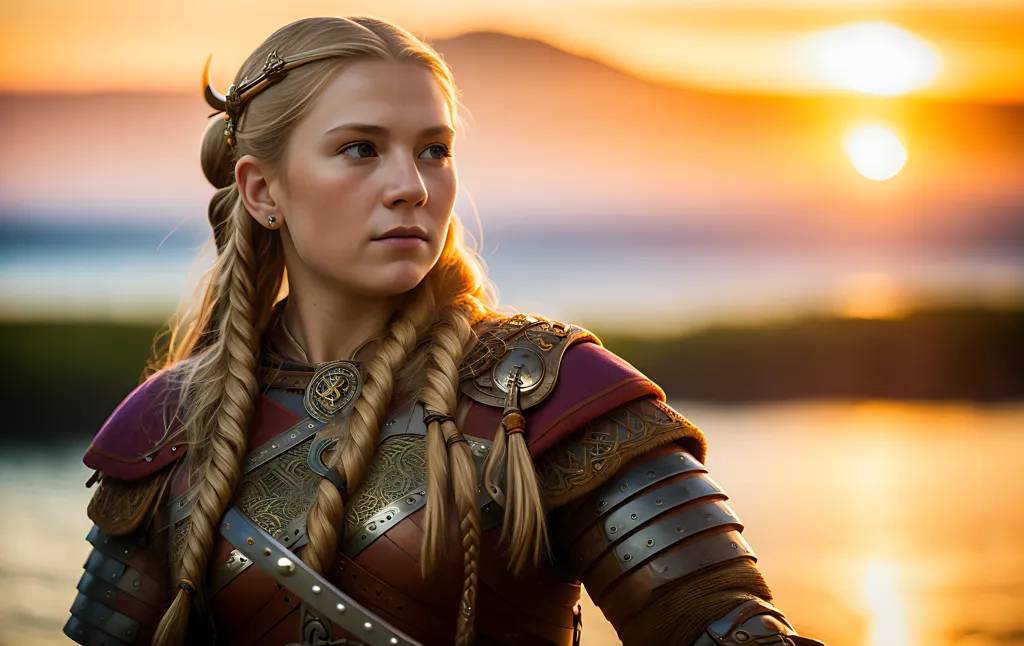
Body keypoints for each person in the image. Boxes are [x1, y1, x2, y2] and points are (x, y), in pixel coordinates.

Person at [63, 16, 826, 646]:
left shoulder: (551, 391)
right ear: (263, 190)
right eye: (360, 149)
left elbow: (725, 629)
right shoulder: (166, 426)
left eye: (435, 149)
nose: (413, 187)